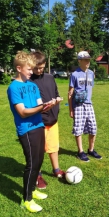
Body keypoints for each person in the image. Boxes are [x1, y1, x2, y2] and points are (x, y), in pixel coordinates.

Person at [7, 51, 53, 213]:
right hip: (26, 129)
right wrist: (42, 107)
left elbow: (40, 105)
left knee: (39, 161)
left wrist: (49, 105)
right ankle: (26, 200)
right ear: (19, 68)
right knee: (32, 164)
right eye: (29, 69)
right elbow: (23, 112)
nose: (31, 72)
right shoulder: (13, 87)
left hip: (38, 125)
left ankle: (32, 189)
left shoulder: (33, 85)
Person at [30, 51, 65, 190]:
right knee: (38, 150)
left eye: (42, 67)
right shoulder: (29, 82)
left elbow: (56, 93)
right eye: (36, 68)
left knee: (53, 146)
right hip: (38, 121)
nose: (39, 70)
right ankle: (37, 174)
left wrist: (57, 101)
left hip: (53, 119)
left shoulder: (50, 78)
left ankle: (56, 169)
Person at [68, 51, 102, 162]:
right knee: (78, 129)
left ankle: (91, 150)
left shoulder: (91, 73)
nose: (88, 62)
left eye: (89, 60)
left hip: (89, 104)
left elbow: (90, 88)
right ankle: (80, 152)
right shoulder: (74, 75)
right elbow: (70, 93)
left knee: (93, 128)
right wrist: (71, 109)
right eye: (85, 60)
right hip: (78, 105)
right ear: (79, 61)